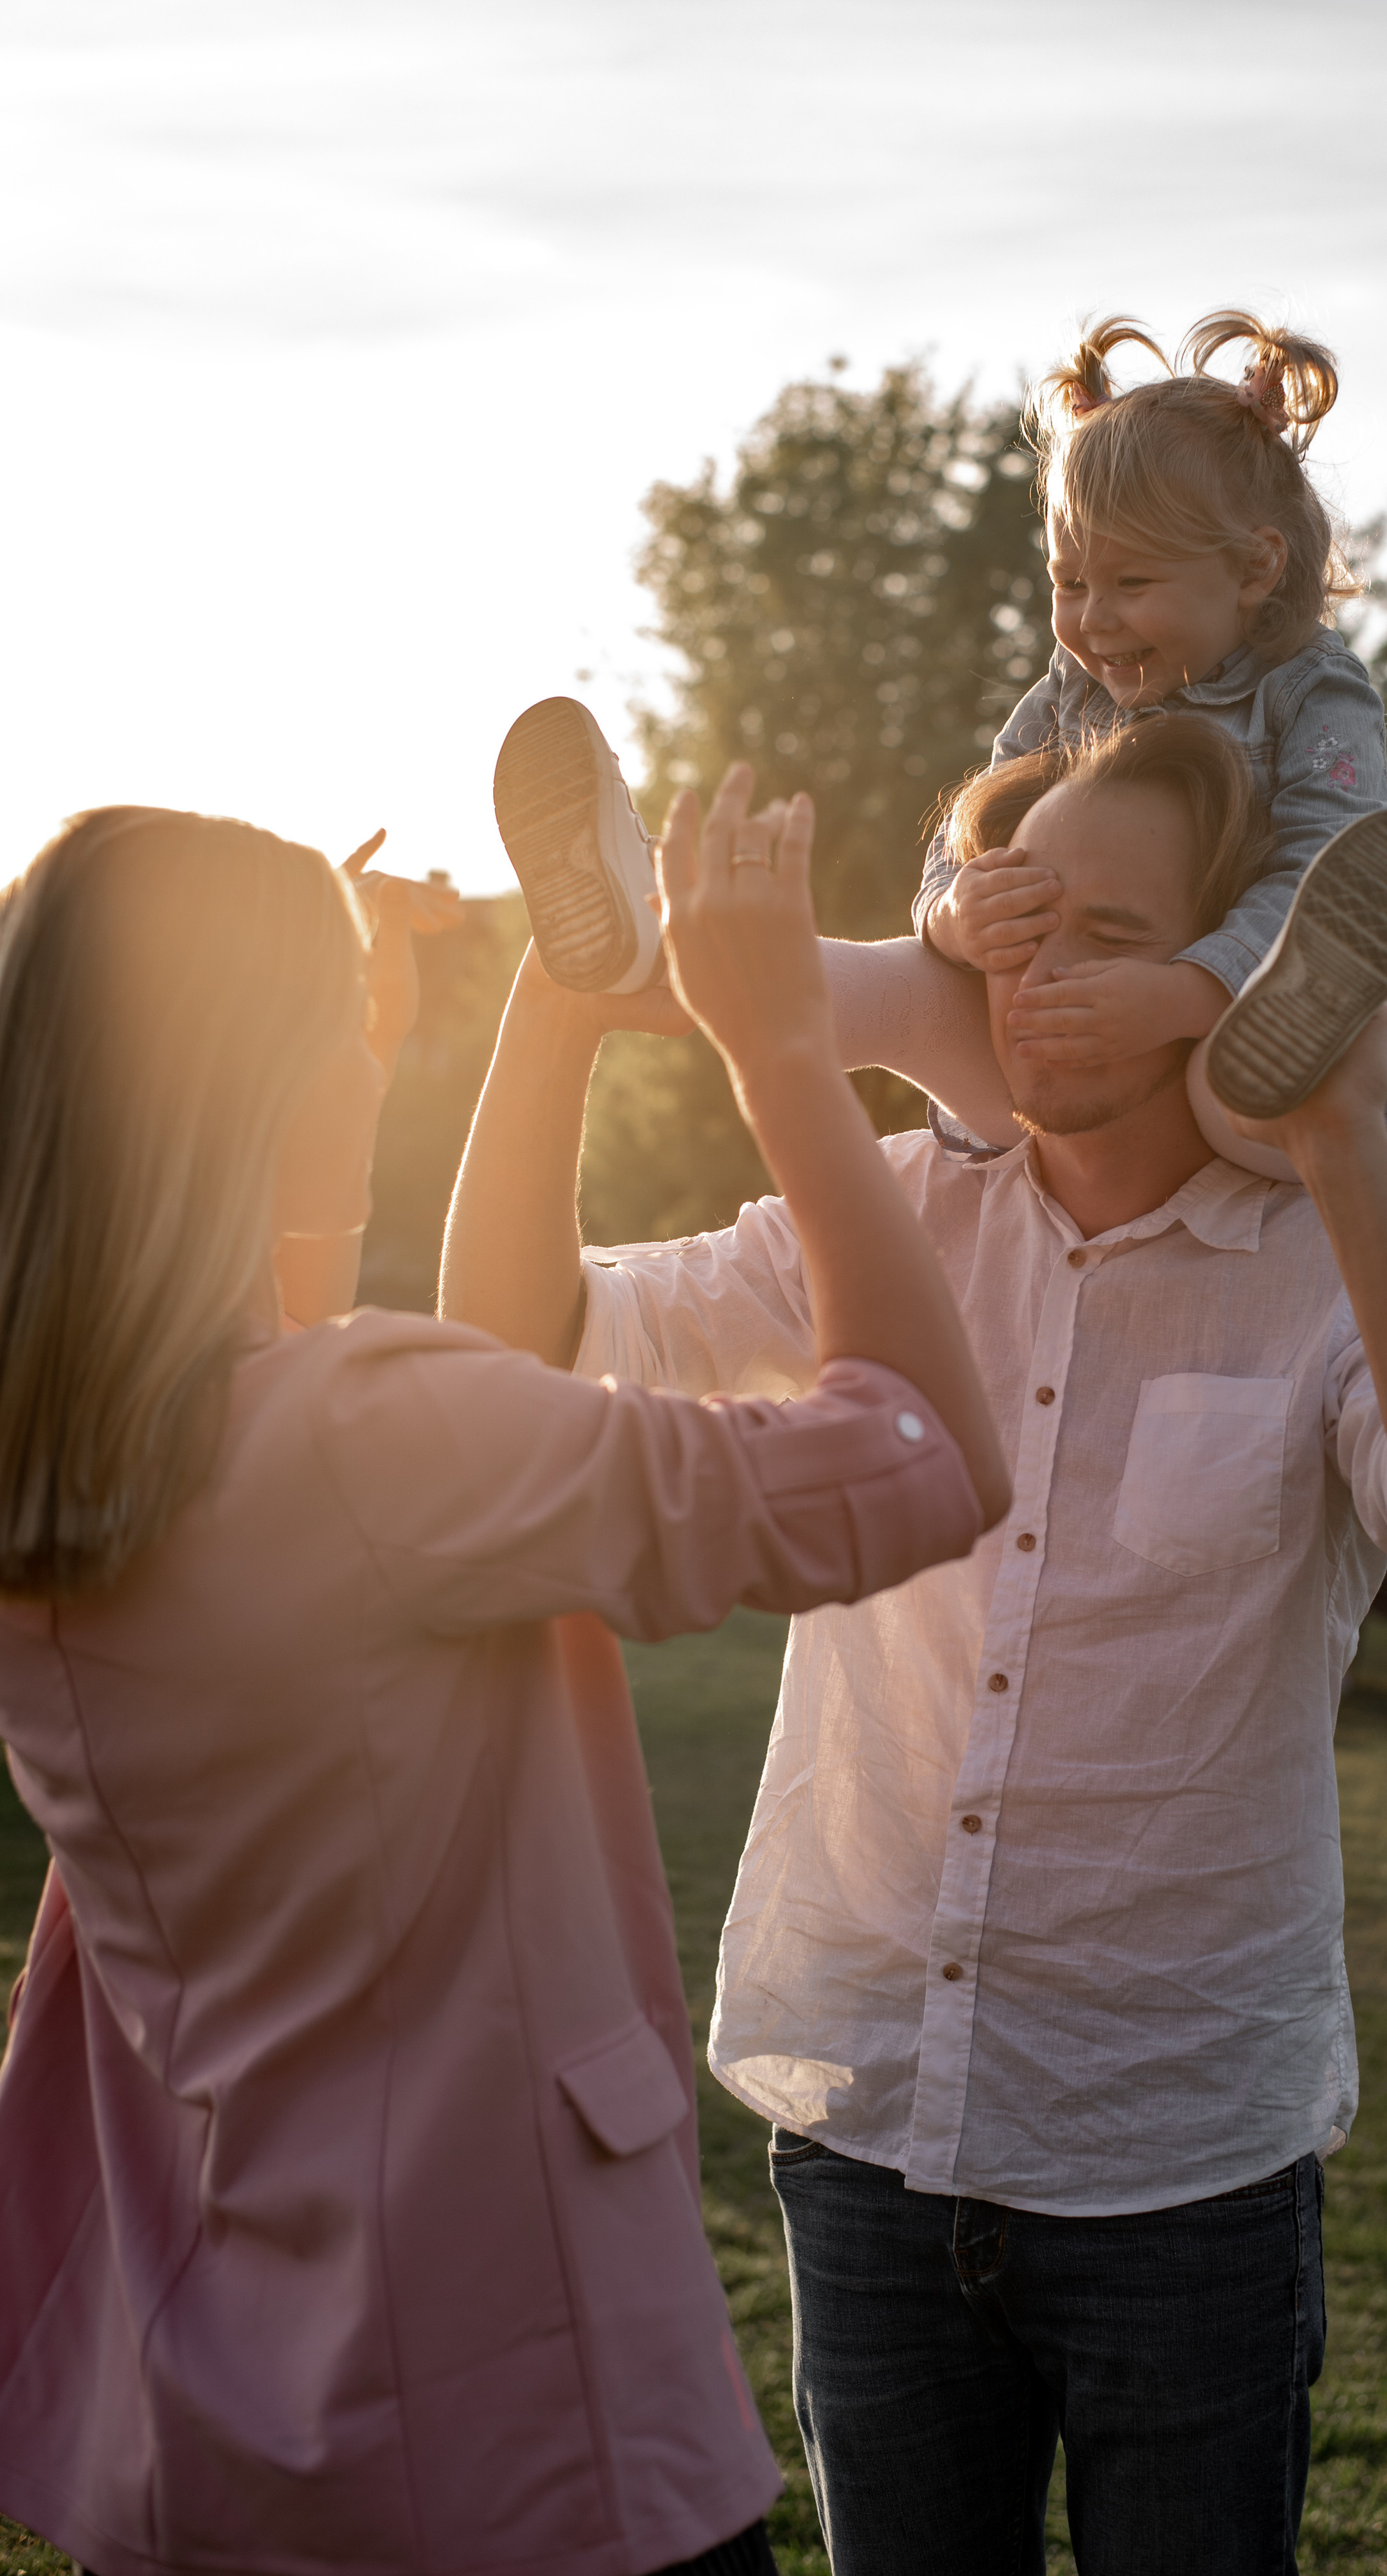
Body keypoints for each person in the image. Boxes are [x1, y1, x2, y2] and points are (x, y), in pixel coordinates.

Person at [445, 711, 1387, 2576]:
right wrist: (559, 1008)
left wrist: (1349, 1147)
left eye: (1113, 936)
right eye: (1021, 931)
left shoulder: (1334, 1255)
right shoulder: (887, 1209)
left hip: (1182, 2168)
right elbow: (514, 1343)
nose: (1049, 980)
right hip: (870, 2124)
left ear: (1241, 972)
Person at [0, 772, 1007, 2576]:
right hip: (515, 2434)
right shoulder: (372, 1443)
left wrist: (427, 1031)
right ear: (255, 1095)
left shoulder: (65, 1465)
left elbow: (287, 1376)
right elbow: (931, 1450)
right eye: (333, 1036)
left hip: (214, 2416)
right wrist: (783, 1050)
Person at [491, 310, 1387, 1174]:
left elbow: (1330, 877)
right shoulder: (1072, 694)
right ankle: (653, 940)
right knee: (897, 982)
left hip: (1235, 1083)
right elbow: (960, 844)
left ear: (1255, 567)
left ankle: (1277, 1070)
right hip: (1054, 1069)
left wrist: (1185, 994)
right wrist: (956, 913)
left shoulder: (1312, 692)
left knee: (1235, 1089)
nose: (1094, 621)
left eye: (1133, 582)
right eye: (1070, 586)